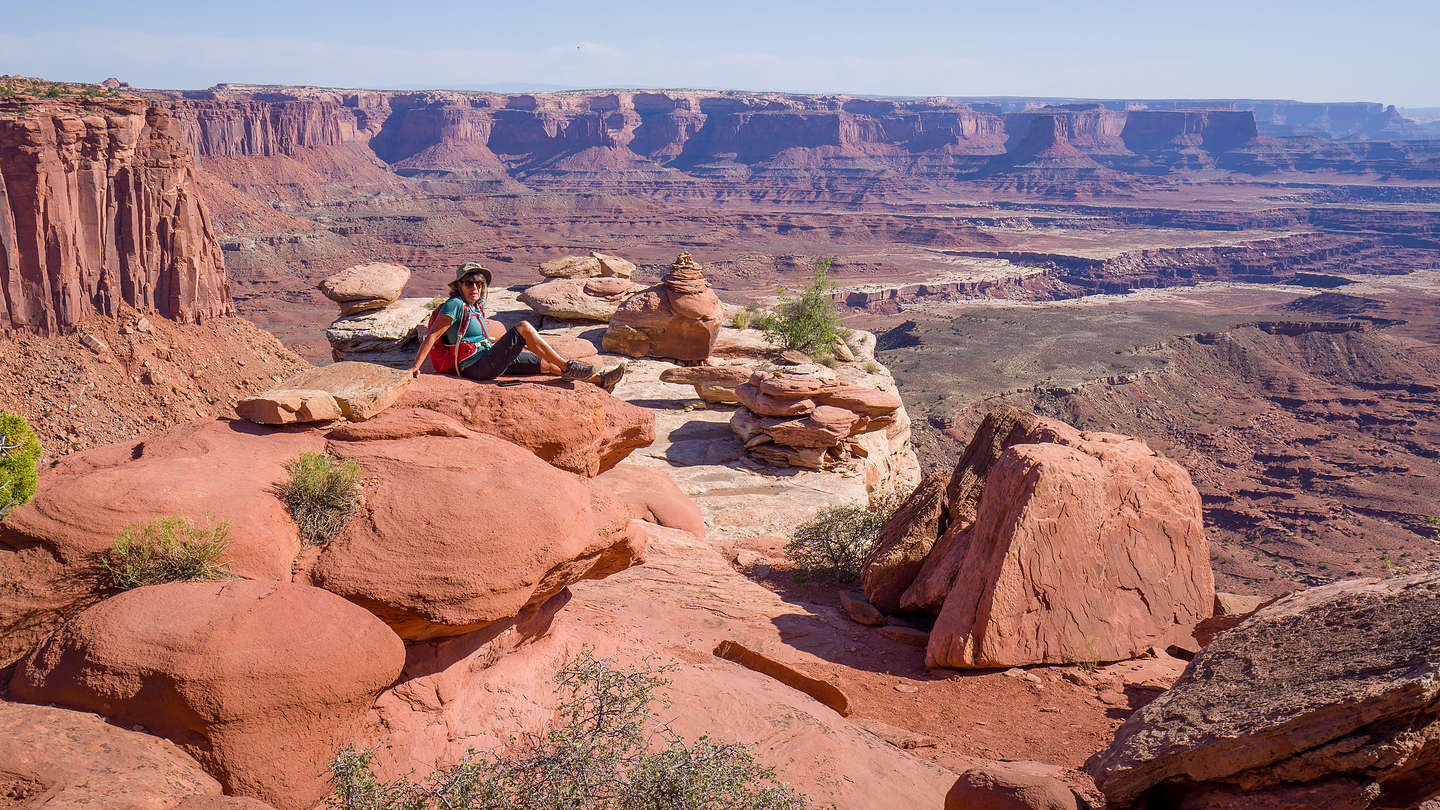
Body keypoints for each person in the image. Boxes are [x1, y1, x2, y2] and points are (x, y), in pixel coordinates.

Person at [410, 262, 625, 390]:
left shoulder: (474, 307)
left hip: (486, 358)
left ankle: (601, 380)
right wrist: (415, 367)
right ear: (459, 286)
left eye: (478, 283)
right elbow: (432, 336)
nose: (475, 287)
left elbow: (470, 337)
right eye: (469, 283)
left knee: (547, 366)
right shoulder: (454, 305)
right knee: (523, 327)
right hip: (474, 367)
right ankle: (569, 366)